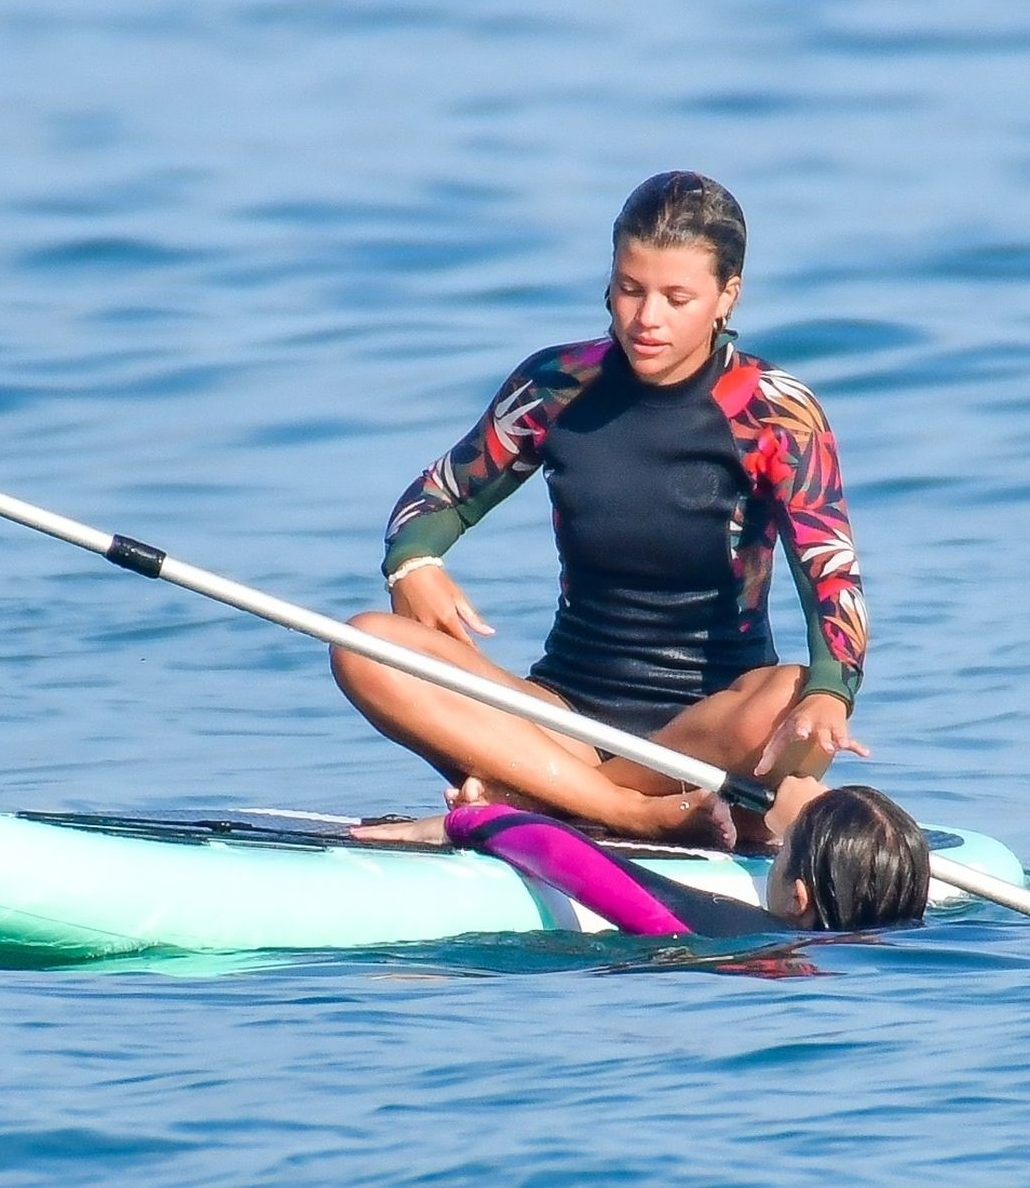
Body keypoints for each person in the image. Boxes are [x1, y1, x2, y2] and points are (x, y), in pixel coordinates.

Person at [332, 171, 869, 848]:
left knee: (793, 698)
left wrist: (831, 691)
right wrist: (413, 562)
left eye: (677, 298)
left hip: (709, 730)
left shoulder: (775, 412)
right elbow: (440, 495)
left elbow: (831, 574)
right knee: (364, 645)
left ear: (727, 296)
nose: (647, 319)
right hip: (562, 720)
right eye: (630, 289)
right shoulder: (558, 386)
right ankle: (626, 812)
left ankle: (535, 794)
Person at [356, 775, 929, 936]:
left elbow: (566, 855)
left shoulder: (738, 932)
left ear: (799, 899)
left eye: (783, 854)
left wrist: (465, 822)